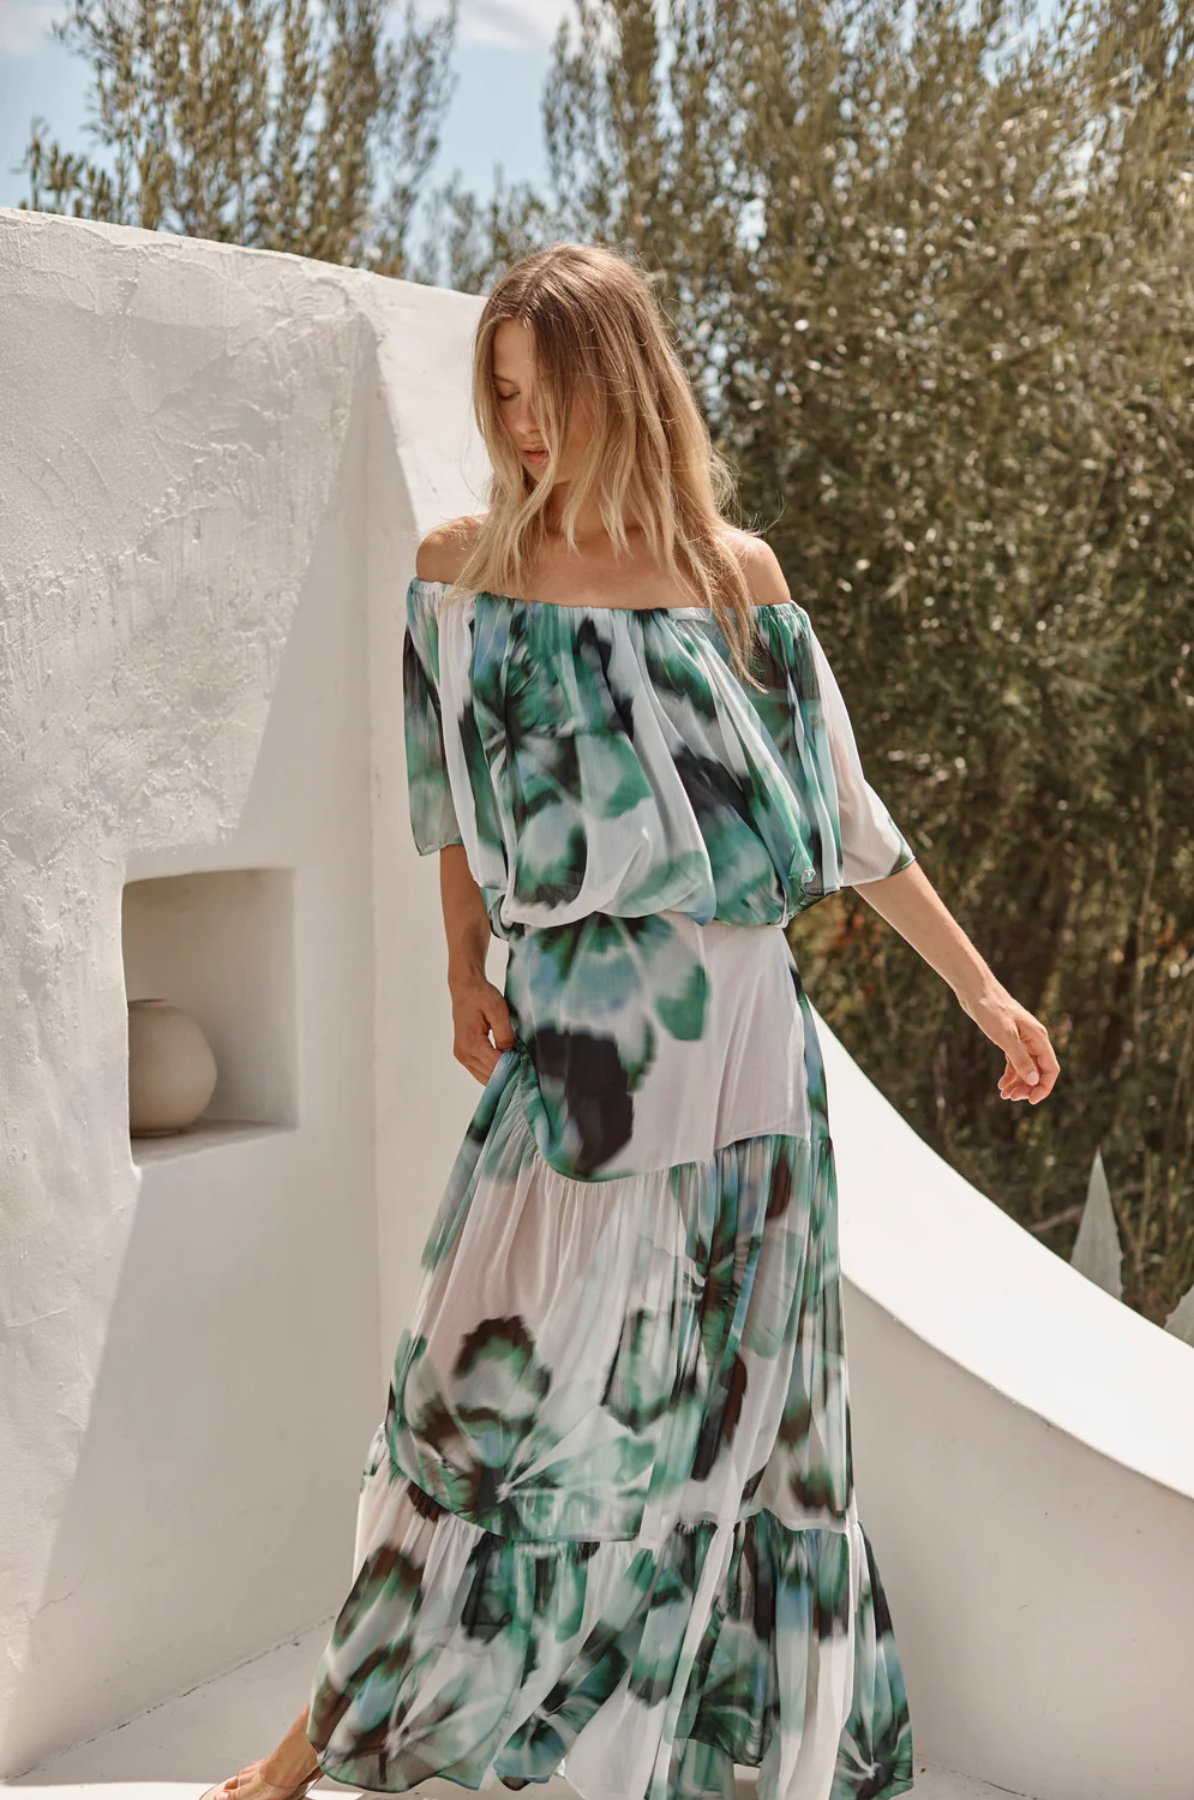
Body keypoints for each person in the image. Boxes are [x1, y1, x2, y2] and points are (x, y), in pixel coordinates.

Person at [200, 241, 1058, 1800]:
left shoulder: (742, 583)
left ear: (625, 381)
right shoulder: (463, 569)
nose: (526, 431)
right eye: (503, 401)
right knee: (471, 1388)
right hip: (577, 1047)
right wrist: (463, 961)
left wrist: (984, 988)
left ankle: (700, 1760)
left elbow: (852, 825)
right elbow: (448, 797)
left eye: (550, 395)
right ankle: (315, 1743)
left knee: (738, 1435)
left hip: (744, 1055)